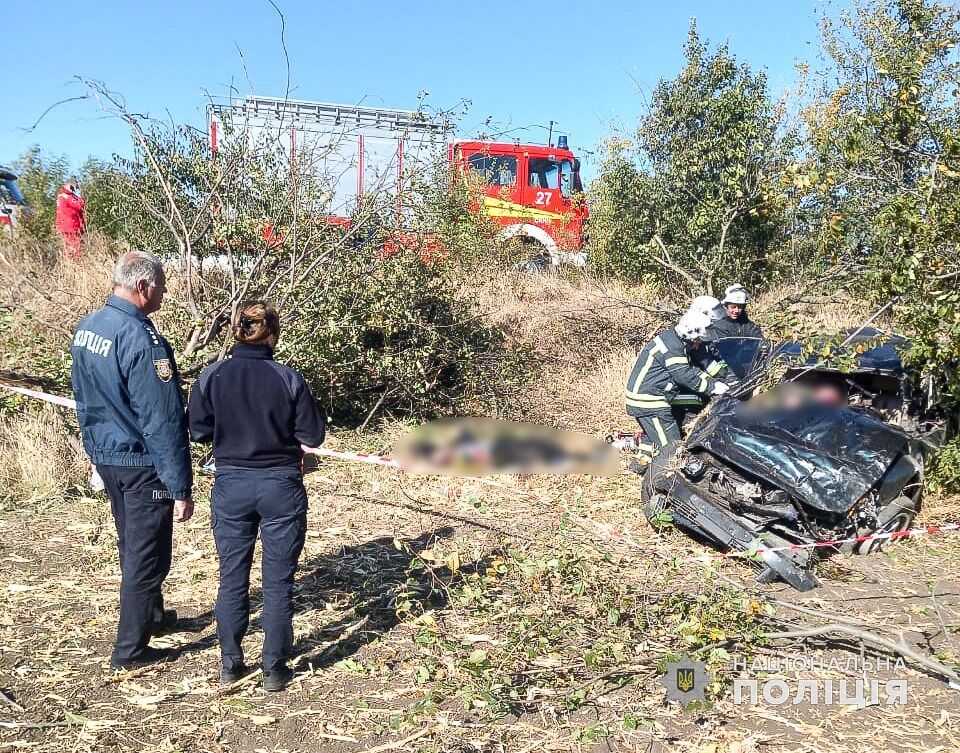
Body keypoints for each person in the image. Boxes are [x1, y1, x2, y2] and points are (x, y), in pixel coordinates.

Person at [188, 301, 326, 692]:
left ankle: (231, 663)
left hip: (231, 484)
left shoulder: (212, 375)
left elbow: (197, 429)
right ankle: (275, 667)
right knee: (278, 580)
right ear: (273, 333)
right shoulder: (288, 378)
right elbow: (313, 436)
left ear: (235, 332)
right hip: (280, 485)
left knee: (232, 577)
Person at [70, 250, 193, 670]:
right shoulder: (142, 339)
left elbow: (84, 397)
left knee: (131, 540)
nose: (163, 292)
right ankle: (130, 651)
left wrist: (94, 452)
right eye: (160, 285)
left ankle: (152, 616)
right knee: (147, 553)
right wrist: (180, 486)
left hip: (109, 454)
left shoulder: (89, 327)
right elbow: (162, 418)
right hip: (141, 462)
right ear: (142, 287)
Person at [625, 310, 729, 474]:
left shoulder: (673, 339)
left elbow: (691, 369)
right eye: (697, 340)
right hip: (650, 400)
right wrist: (713, 388)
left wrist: (714, 382)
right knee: (672, 446)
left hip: (644, 398)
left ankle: (639, 466)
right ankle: (667, 480)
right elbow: (685, 377)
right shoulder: (673, 347)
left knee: (651, 435)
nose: (698, 344)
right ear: (689, 334)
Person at [669, 296, 731, 429]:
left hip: (692, 384)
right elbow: (705, 364)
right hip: (680, 393)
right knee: (701, 403)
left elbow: (716, 356)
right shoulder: (691, 338)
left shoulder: (698, 333)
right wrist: (722, 380)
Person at [56, 179, 85, 262]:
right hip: (71, 226)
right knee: (76, 249)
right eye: (74, 188)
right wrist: (81, 196)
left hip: (66, 226)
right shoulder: (67, 196)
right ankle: (75, 266)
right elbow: (80, 205)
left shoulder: (61, 195)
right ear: (70, 186)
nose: (75, 190)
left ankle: (69, 266)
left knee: (68, 249)